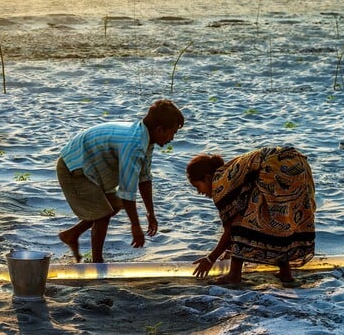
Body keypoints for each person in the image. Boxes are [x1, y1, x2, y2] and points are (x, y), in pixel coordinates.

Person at [57, 99, 184, 263]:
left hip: (91, 168)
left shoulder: (146, 140)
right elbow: (127, 191)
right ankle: (97, 263)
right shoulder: (135, 144)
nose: (172, 138)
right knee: (103, 213)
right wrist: (135, 226)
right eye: (171, 133)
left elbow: (144, 179)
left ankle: (72, 234)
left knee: (115, 205)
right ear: (159, 129)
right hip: (73, 167)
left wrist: (151, 213)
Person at [186, 146, 316, 284]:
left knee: (243, 221)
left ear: (207, 178)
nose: (199, 192)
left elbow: (231, 229)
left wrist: (210, 259)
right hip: (298, 165)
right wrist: (230, 251)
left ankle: (234, 275)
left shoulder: (219, 183)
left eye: (197, 187)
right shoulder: (230, 172)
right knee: (280, 219)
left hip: (275, 167)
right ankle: (285, 273)